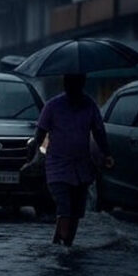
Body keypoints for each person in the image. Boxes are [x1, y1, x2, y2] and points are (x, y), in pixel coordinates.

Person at [29, 73, 113, 247]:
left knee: (75, 211)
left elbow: (99, 132)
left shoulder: (89, 105)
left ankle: (64, 243)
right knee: (65, 208)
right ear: (65, 86)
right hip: (58, 165)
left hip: (81, 166)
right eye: (71, 85)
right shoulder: (53, 106)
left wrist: (107, 154)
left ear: (81, 86)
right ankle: (62, 246)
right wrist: (34, 155)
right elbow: (40, 133)